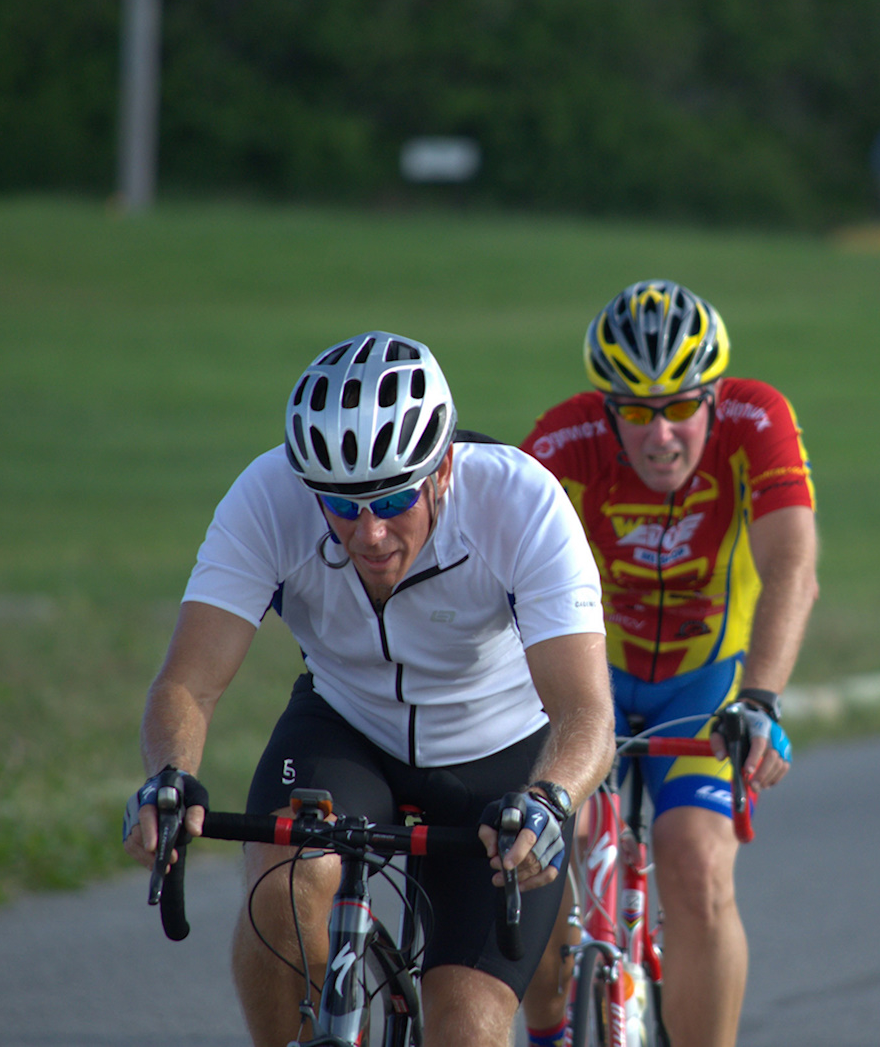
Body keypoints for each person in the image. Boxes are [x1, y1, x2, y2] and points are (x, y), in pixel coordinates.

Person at [122, 332, 616, 1047]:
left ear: (442, 469)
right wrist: (169, 775)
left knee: (469, 1024)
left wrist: (548, 797)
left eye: (392, 498)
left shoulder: (520, 502)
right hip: (345, 725)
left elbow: (583, 710)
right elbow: (187, 684)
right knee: (281, 895)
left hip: (498, 751)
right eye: (343, 507)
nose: (371, 532)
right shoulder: (266, 496)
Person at [520, 280, 818, 1047]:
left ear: (715, 397)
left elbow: (791, 567)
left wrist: (763, 698)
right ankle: (550, 1029)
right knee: (547, 840)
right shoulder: (563, 438)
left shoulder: (759, 418)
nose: (660, 435)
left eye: (681, 405)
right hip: (589, 678)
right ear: (605, 406)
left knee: (695, 868)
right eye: (635, 410)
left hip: (705, 680)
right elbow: (498, 569)